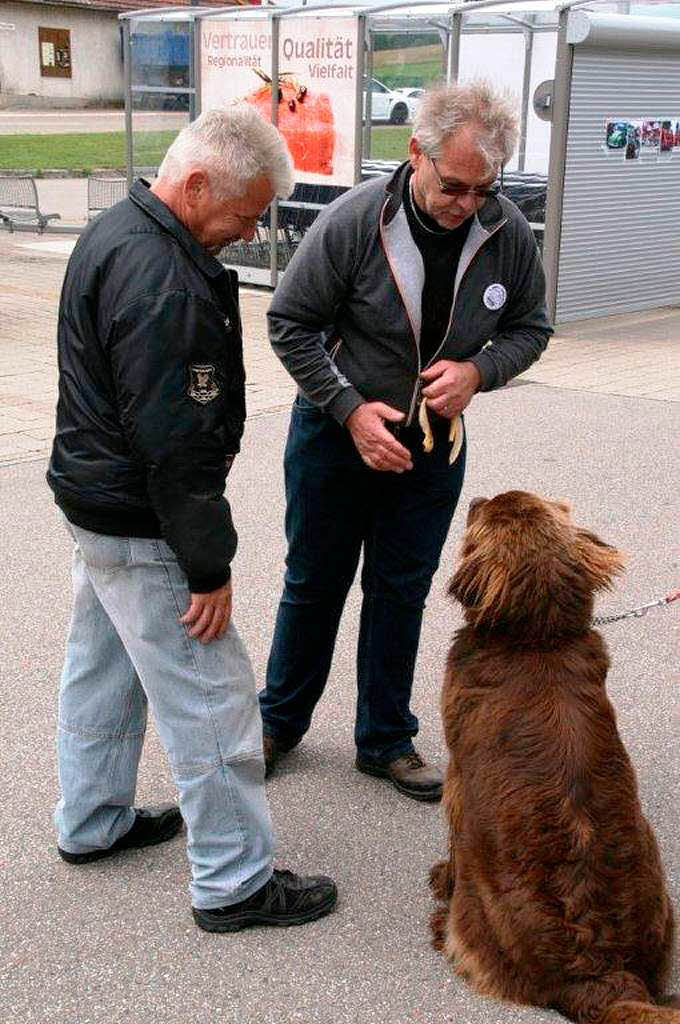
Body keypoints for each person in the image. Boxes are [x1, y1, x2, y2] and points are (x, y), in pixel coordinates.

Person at [47, 105, 337, 932]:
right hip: (143, 522)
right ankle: (236, 882)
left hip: (94, 504)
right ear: (199, 182)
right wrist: (208, 568)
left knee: (100, 673)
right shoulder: (165, 280)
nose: (248, 233)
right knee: (211, 700)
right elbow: (178, 446)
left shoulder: (116, 230)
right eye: (244, 214)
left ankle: (92, 821)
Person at [259, 82, 553, 800]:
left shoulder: (506, 232)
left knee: (401, 592)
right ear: (415, 153)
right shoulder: (357, 220)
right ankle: (277, 724)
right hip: (336, 436)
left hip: (432, 448)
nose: (466, 204)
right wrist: (351, 410)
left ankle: (385, 738)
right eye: (454, 186)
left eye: (483, 190)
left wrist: (481, 372)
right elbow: (289, 321)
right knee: (314, 583)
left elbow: (531, 328)